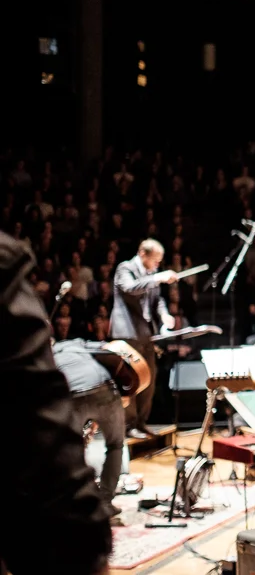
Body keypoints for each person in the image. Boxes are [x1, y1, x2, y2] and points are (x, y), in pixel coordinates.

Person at [0, 232, 112, 574]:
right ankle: (109, 497)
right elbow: (42, 442)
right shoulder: (4, 267)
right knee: (116, 444)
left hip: (84, 398)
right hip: (102, 395)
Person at [52, 338, 126, 522]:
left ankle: (76, 503)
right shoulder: (76, 343)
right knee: (115, 445)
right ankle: (105, 503)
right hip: (104, 389)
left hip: (74, 396)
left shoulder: (46, 357)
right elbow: (110, 348)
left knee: (71, 451)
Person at [111, 239, 177, 439]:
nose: (158, 264)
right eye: (155, 259)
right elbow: (131, 288)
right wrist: (157, 278)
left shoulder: (151, 274)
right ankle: (129, 424)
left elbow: (158, 299)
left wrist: (164, 315)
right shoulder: (125, 268)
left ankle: (141, 422)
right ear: (142, 254)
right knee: (131, 379)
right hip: (127, 333)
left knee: (149, 378)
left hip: (146, 333)